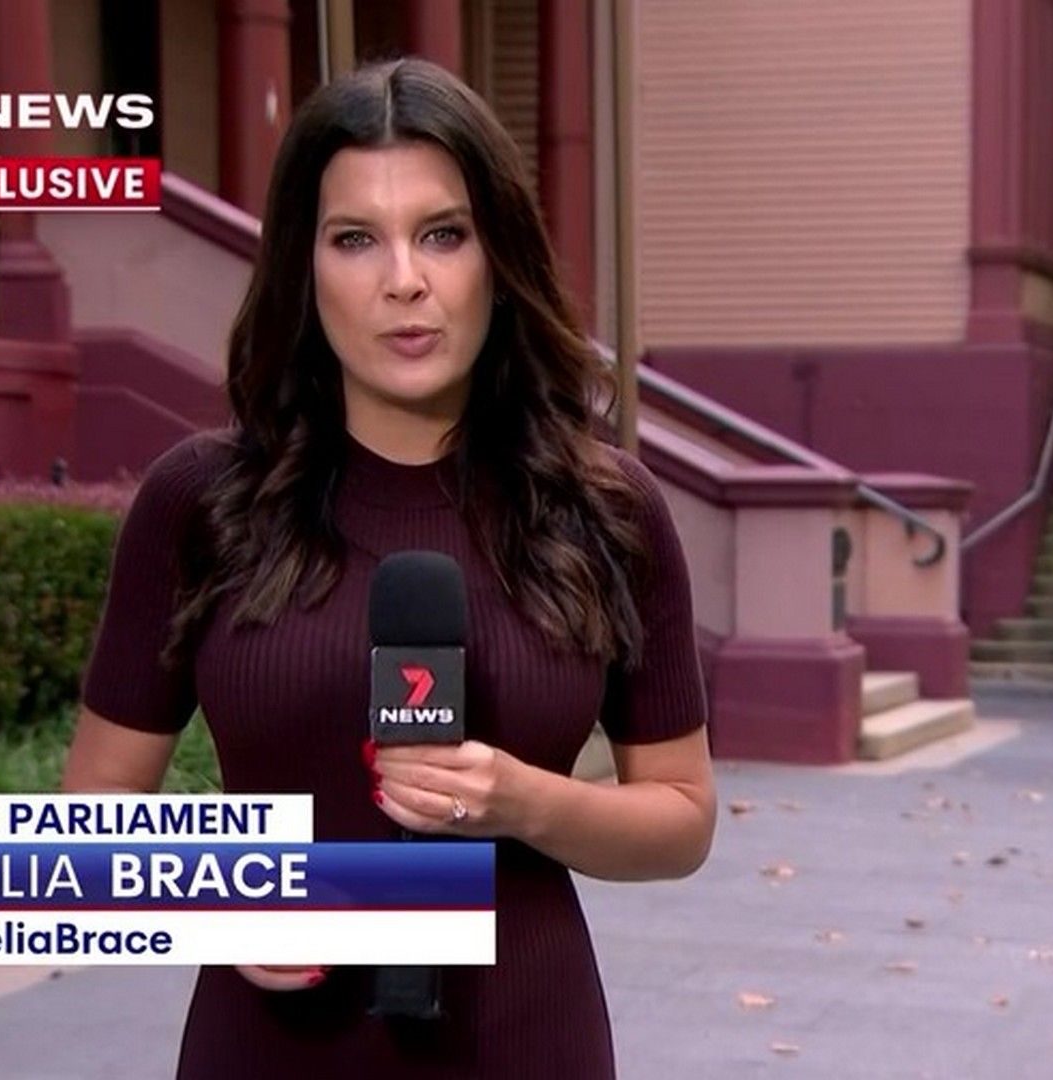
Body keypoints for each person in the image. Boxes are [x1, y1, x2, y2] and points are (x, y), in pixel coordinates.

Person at [60, 58, 717, 1079]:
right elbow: (92, 817)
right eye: (355, 238)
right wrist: (218, 899)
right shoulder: (201, 500)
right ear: (303, 266)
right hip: (265, 1054)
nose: (403, 279)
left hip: (525, 1044)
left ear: (498, 256)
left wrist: (521, 802)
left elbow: (681, 819)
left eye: (443, 234)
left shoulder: (606, 509)